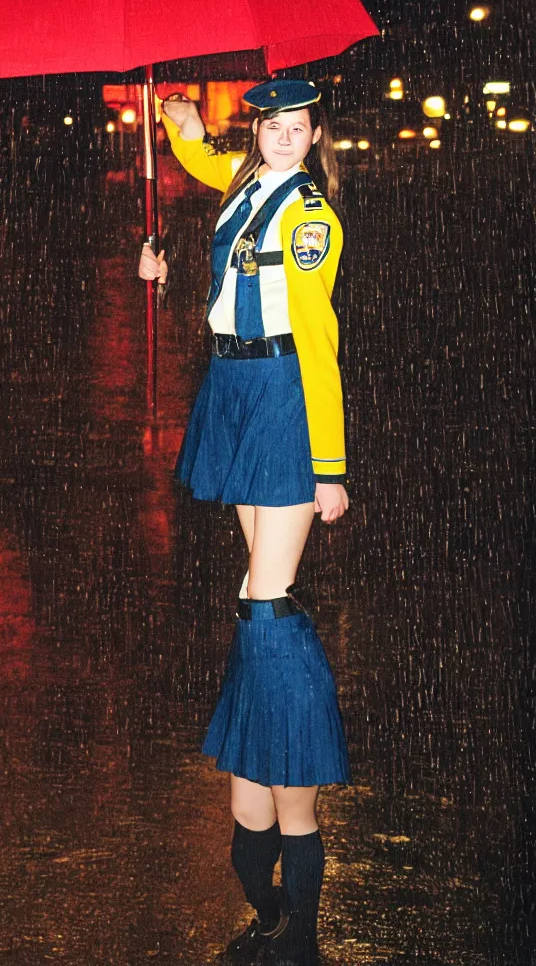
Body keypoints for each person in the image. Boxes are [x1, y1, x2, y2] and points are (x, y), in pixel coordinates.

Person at [140, 80, 350, 966]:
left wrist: (330, 464)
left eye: (301, 129)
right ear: (257, 129)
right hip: (231, 386)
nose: (287, 140)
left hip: (280, 394)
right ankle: (268, 779)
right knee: (251, 587)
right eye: (275, 126)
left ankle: (285, 746)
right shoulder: (243, 184)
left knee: (267, 595)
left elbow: (316, 333)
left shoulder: (311, 218)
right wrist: (181, 127)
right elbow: (204, 162)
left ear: (315, 138)